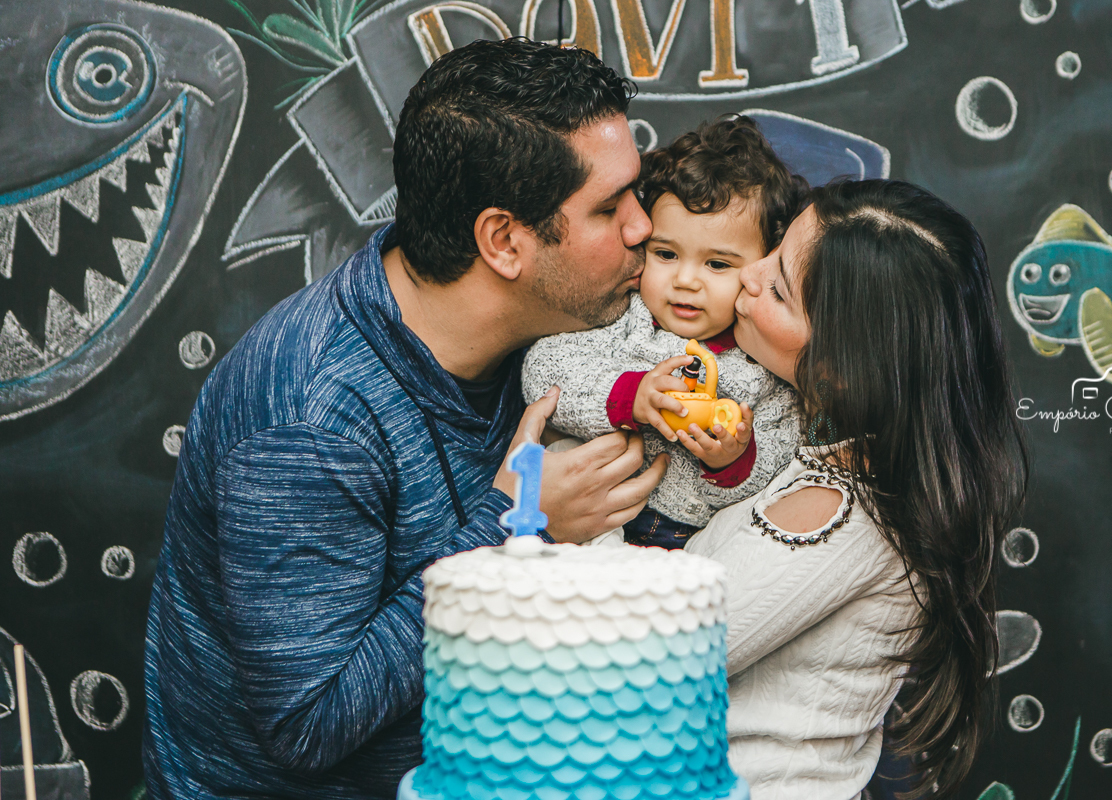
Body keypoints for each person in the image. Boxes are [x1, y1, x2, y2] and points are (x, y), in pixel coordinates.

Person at [143, 40, 669, 799]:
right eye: (609, 208)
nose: (643, 227)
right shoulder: (311, 419)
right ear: (504, 241)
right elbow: (306, 725)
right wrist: (521, 526)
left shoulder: (557, 334)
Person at [686, 179, 1028, 799]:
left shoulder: (837, 516)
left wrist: (553, 519)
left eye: (779, 289)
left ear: (840, 370)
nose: (747, 275)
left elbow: (648, 660)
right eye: (774, 249)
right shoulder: (862, 471)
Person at [522, 117, 806, 548]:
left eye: (717, 264)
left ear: (762, 267)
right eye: (667, 254)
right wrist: (630, 395)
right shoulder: (625, 315)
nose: (685, 281)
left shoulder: (764, 362)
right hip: (588, 525)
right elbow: (544, 372)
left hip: (686, 541)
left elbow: (778, 461)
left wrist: (732, 458)